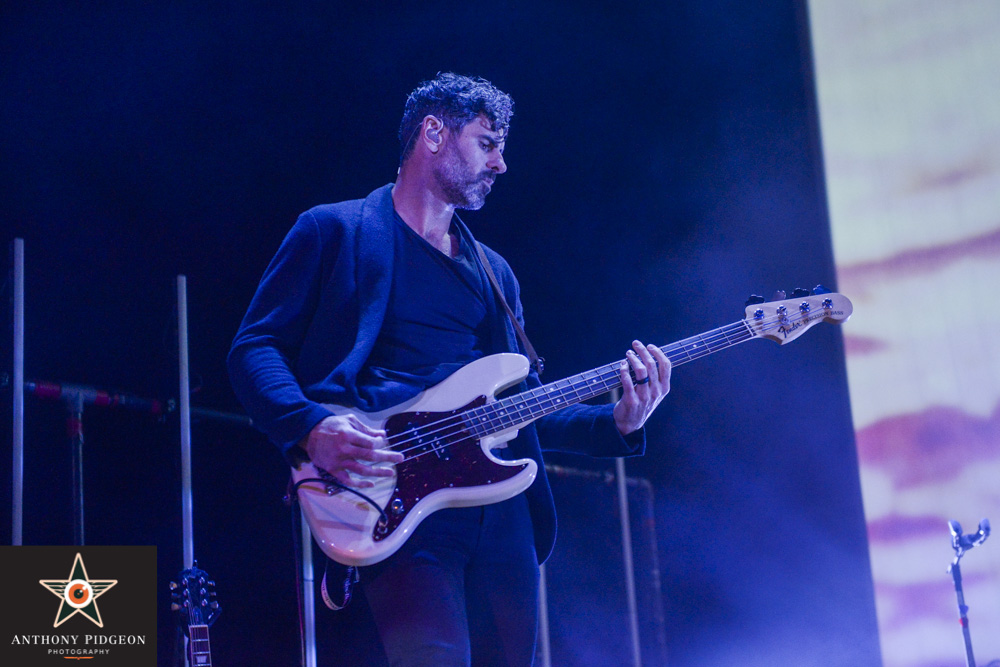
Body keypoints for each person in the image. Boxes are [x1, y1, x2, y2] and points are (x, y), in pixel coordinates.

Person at [228, 72, 671, 666]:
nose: (502, 164)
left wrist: (614, 422)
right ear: (433, 133)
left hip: (500, 506)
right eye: (488, 143)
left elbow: (525, 403)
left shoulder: (495, 273)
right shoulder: (333, 231)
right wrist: (310, 426)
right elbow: (254, 348)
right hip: (395, 495)